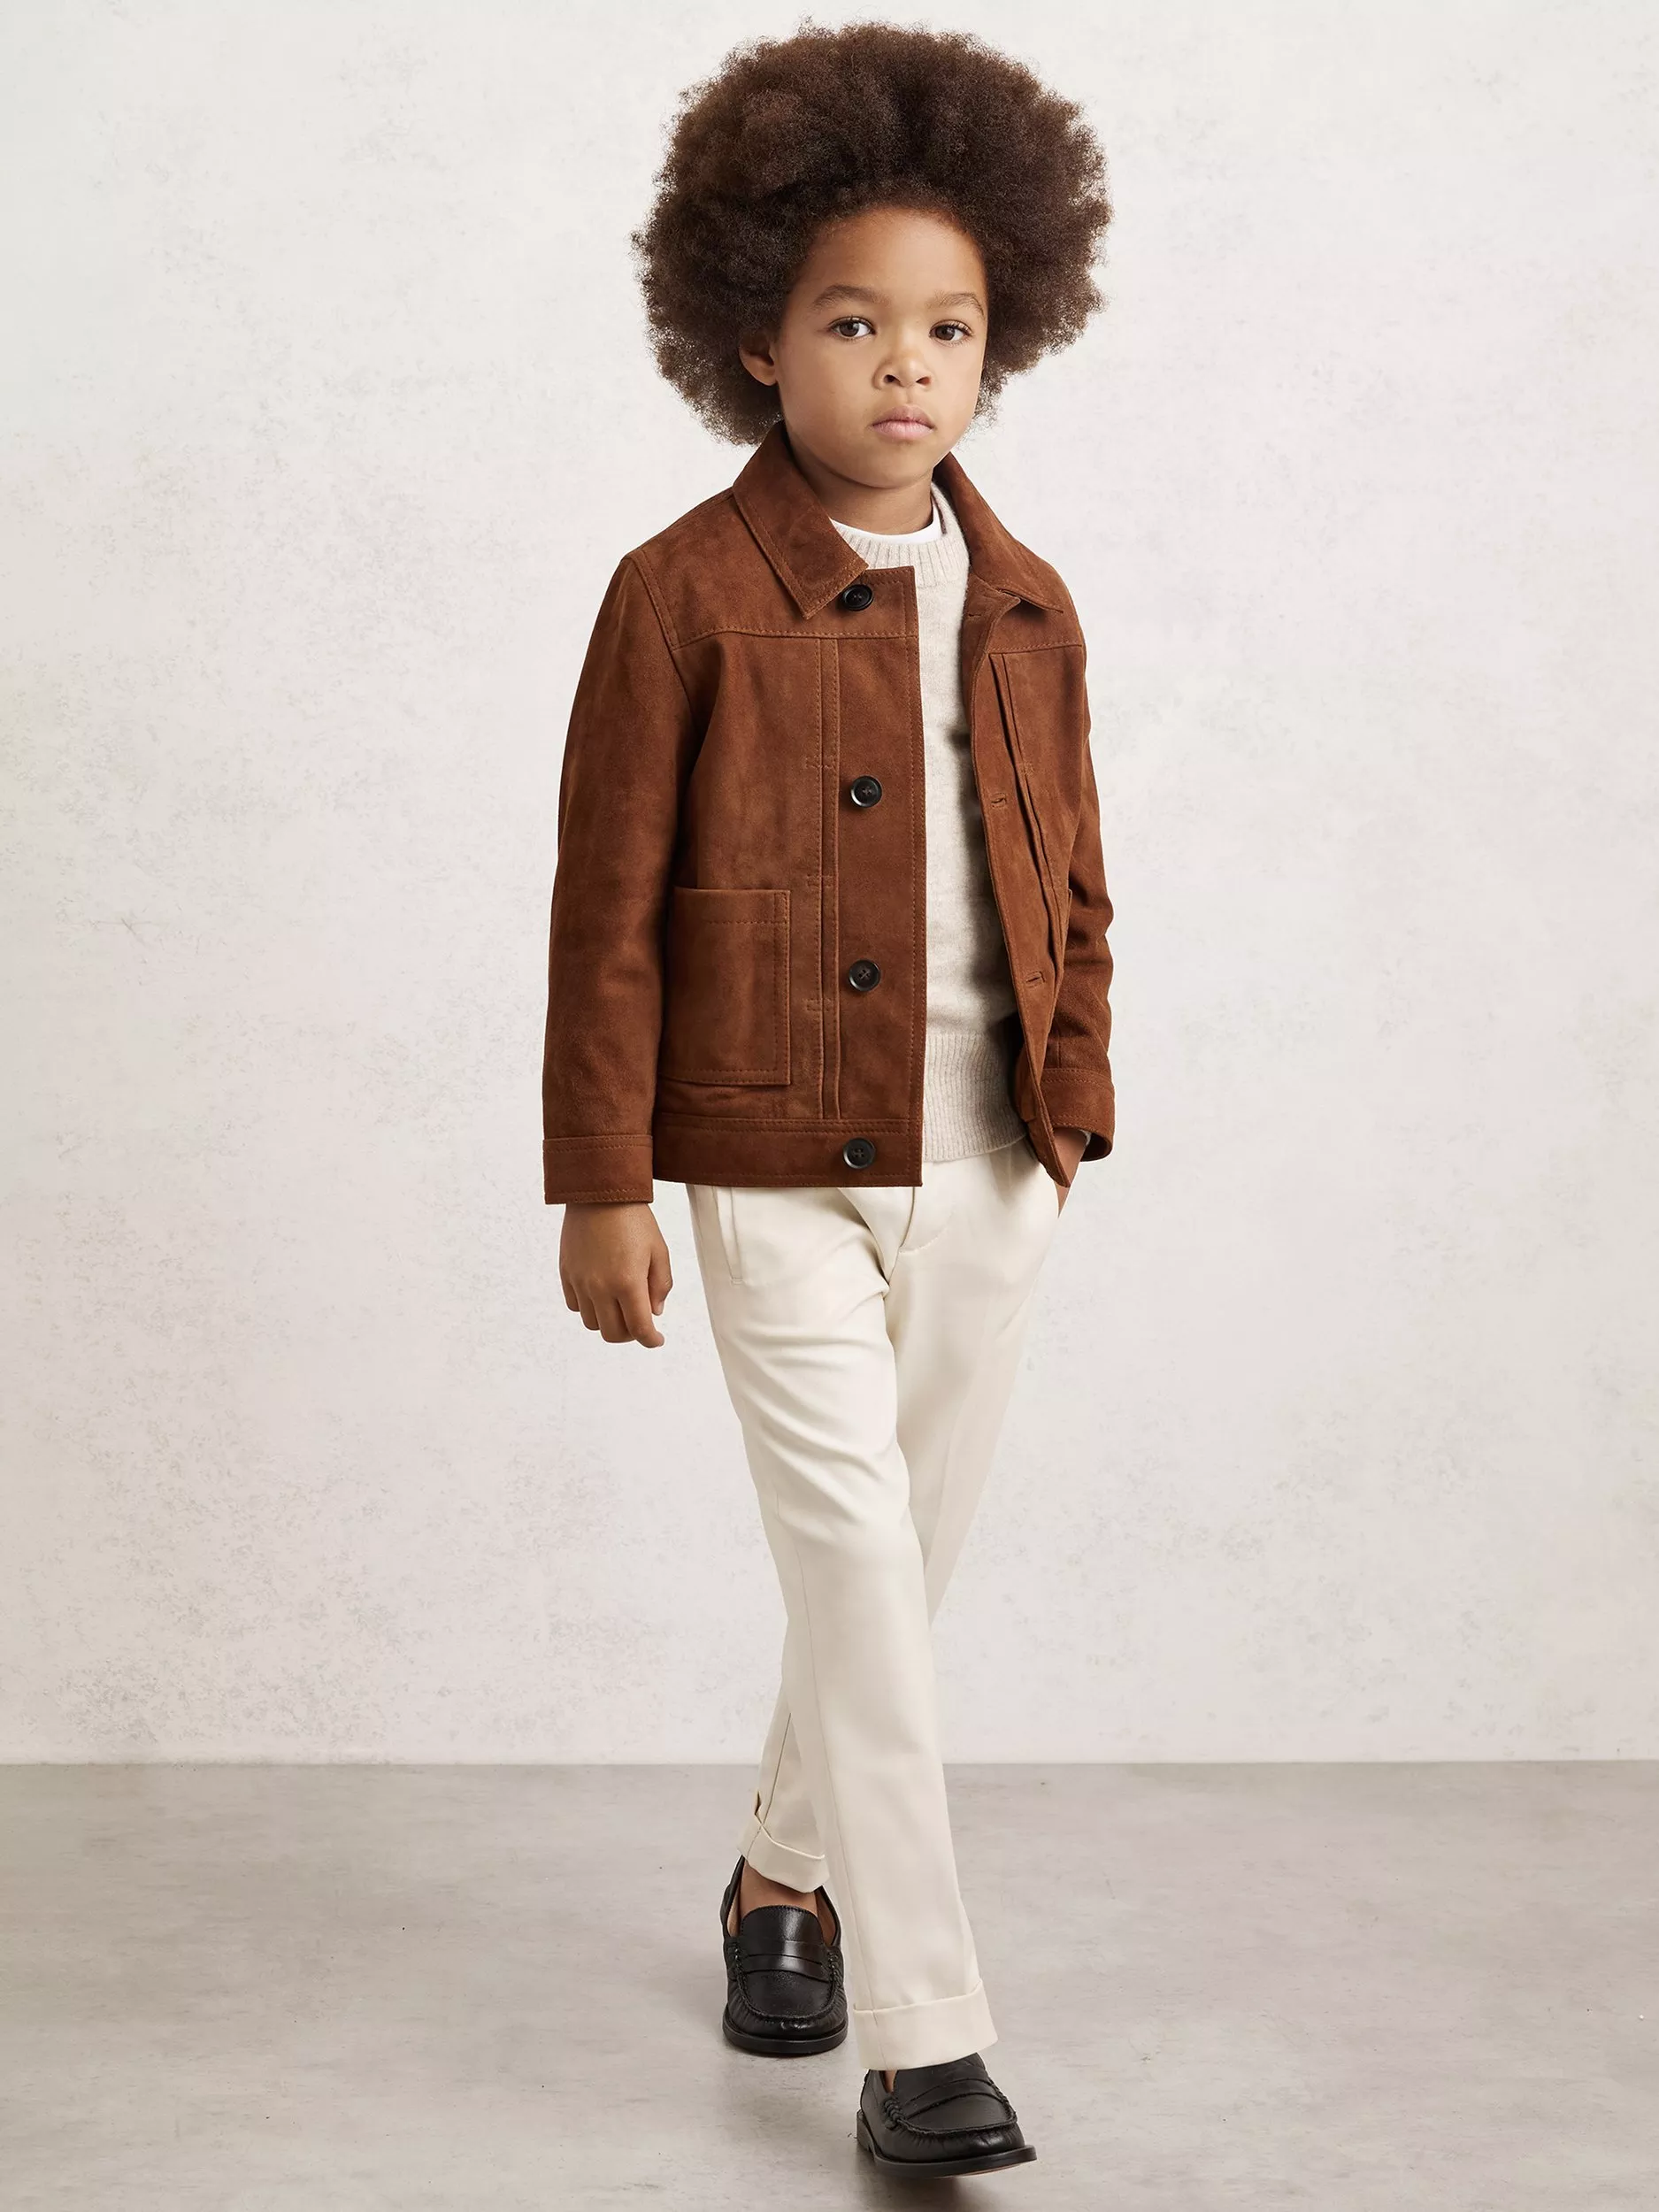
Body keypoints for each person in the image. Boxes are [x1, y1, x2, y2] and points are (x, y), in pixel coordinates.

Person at [542, 22, 1117, 2181]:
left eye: (947, 327)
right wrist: (603, 1180)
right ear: (750, 335)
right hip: (768, 1159)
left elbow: (1074, 873)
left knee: (897, 1568)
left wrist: (1071, 1109)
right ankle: (924, 2034)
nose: (905, 365)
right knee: (861, 1568)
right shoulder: (677, 597)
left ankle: (778, 1872)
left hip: (992, 1165)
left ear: (1003, 337)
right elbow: (605, 911)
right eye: (854, 321)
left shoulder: (1029, 599)